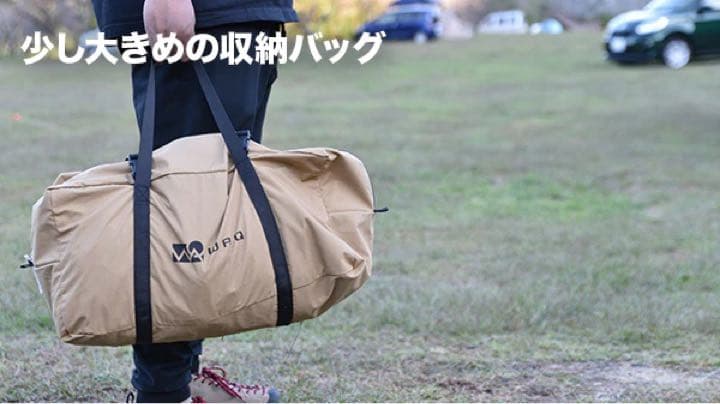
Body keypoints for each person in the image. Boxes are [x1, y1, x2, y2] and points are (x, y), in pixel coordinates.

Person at [89, 0, 297, 402]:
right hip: (204, 15)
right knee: (185, 206)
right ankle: (163, 389)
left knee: (209, 212)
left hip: (236, 15)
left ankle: (183, 378)